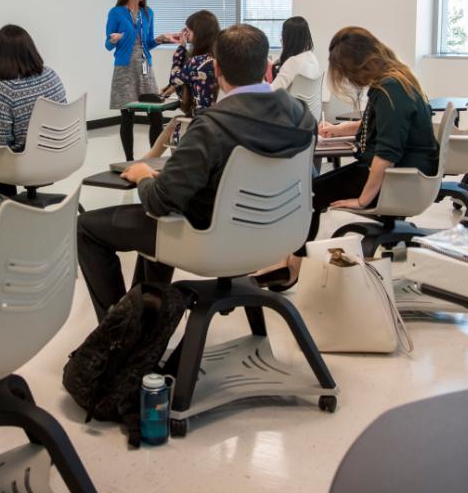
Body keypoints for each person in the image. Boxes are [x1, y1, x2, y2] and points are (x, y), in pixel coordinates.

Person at [77, 24, 317, 322]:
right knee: (154, 226)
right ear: (266, 65)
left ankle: (117, 333)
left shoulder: (212, 126)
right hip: (278, 236)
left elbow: (160, 202)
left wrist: (144, 176)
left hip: (210, 239)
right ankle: (143, 320)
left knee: (89, 227)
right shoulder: (301, 116)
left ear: (216, 68)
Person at [256, 27, 437, 291]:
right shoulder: (395, 80)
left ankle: (292, 265)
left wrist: (363, 199)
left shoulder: (389, 89)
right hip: (403, 174)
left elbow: (386, 153)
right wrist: (342, 129)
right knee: (311, 190)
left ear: (358, 65)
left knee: (310, 194)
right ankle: (289, 259)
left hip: (397, 179)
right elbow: (380, 124)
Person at [0, 25, 67, 195]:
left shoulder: (3, 88)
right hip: (60, 153)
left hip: (26, 161)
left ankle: (8, 201)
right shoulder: (51, 75)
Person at [105, 0, 180, 161]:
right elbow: (108, 44)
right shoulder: (116, 13)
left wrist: (160, 39)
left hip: (145, 69)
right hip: (124, 68)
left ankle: (154, 160)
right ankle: (129, 161)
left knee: (155, 115)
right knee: (127, 116)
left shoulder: (148, 13)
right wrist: (113, 40)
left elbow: (147, 43)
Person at [140, 9, 219, 156]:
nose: (186, 34)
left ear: (199, 33)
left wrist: (181, 47)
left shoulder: (198, 61)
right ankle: (149, 159)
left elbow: (175, 77)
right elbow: (186, 79)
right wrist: (172, 88)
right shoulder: (212, 58)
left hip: (200, 122)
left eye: (188, 31)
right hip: (212, 119)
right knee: (176, 121)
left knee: (176, 127)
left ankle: (152, 161)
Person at [269, 16, 321, 91]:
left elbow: (273, 90)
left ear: (289, 39)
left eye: (282, 35)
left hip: (290, 102)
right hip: (304, 102)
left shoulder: (293, 62)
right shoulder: (311, 57)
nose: (281, 39)